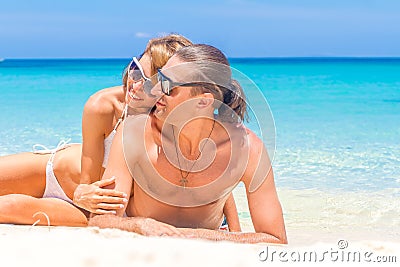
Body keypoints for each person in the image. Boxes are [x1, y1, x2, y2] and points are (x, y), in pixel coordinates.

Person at [0, 36, 241, 230]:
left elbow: (212, 173)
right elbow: (89, 186)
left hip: (100, 209)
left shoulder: (175, 118)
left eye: (148, 82)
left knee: (8, 209)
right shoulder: (105, 105)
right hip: (62, 179)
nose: (135, 85)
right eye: (135, 70)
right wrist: (80, 193)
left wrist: (233, 228)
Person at [89, 44, 287, 244]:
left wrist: (190, 235)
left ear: (203, 102)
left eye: (168, 85)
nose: (156, 90)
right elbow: (99, 220)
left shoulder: (248, 150)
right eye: (159, 78)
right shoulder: (133, 132)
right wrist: (140, 225)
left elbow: (274, 238)